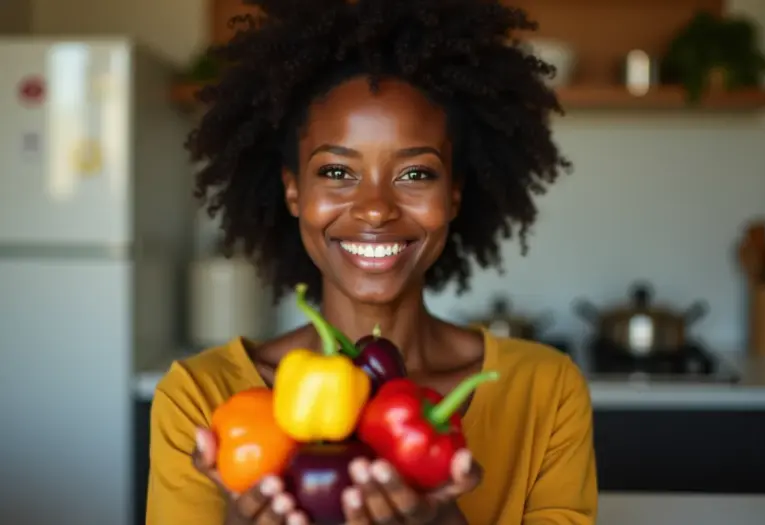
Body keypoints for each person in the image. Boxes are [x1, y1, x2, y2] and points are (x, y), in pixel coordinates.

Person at [146, 0, 598, 523]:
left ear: (454, 195)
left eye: (415, 175)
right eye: (337, 172)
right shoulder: (201, 399)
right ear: (294, 192)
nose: (376, 208)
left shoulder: (545, 392)